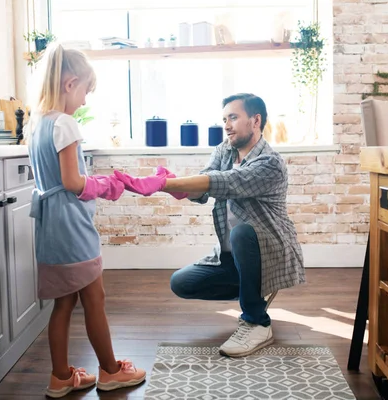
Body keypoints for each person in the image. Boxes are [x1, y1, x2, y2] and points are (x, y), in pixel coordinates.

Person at [114, 93, 305, 358]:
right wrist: (172, 186)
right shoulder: (224, 150)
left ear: (255, 120)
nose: (227, 125)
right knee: (181, 283)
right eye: (224, 119)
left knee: (242, 232)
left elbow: (225, 182)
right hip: (233, 256)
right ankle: (254, 292)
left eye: (234, 117)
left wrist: (164, 184)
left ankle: (256, 322)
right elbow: (203, 189)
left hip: (270, 250)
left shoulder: (270, 163)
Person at [27, 42, 146, 398]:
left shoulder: (38, 124)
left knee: (64, 301)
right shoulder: (65, 123)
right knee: (95, 297)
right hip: (71, 225)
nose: (84, 101)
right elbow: (72, 182)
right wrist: (104, 184)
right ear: (69, 83)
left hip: (49, 224)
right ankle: (110, 371)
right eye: (84, 92)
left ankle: (61, 377)